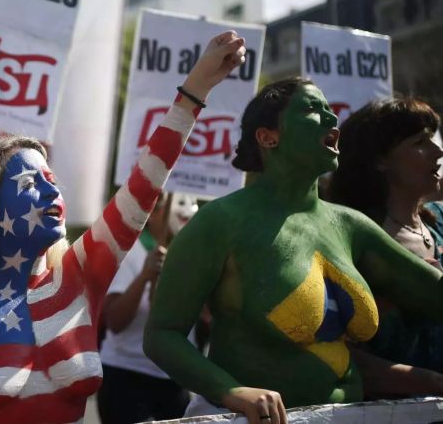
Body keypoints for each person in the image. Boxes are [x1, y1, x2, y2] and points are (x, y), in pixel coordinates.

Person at [0, 30, 247, 424]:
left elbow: (144, 184)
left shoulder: (80, 276)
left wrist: (197, 87)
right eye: (31, 184)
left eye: (53, 181)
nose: (52, 192)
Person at [144, 78, 443, 424]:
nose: (333, 120)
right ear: (268, 136)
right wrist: (232, 391)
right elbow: (162, 335)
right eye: (313, 110)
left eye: (331, 111)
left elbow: (434, 293)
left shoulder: (351, 225)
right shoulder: (220, 221)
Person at [328, 98, 443, 395]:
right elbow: (335, 353)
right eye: (420, 142)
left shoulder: (440, 223)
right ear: (380, 160)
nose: (438, 152)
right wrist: (429, 383)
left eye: (432, 138)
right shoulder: (348, 242)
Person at [97, 193, 198, 423]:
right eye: (178, 203)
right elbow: (115, 322)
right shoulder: (130, 254)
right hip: (126, 376)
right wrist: (144, 276)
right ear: (153, 214)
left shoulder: (195, 256)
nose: (188, 210)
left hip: (173, 378)